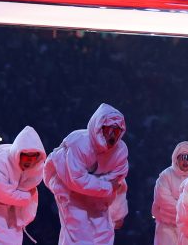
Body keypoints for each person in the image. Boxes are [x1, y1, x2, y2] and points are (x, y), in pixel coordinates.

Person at [44, 103, 129, 245]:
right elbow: (76, 180)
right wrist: (106, 185)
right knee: (78, 231)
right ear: (99, 127)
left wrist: (117, 213)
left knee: (104, 233)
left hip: (97, 192)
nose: (112, 135)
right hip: (66, 184)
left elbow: (118, 184)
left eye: (117, 131)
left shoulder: (120, 151)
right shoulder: (79, 143)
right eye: (109, 130)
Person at [153, 141, 188, 245]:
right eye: (182, 157)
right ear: (176, 159)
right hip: (167, 226)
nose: (185, 161)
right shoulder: (165, 176)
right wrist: (186, 210)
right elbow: (163, 200)